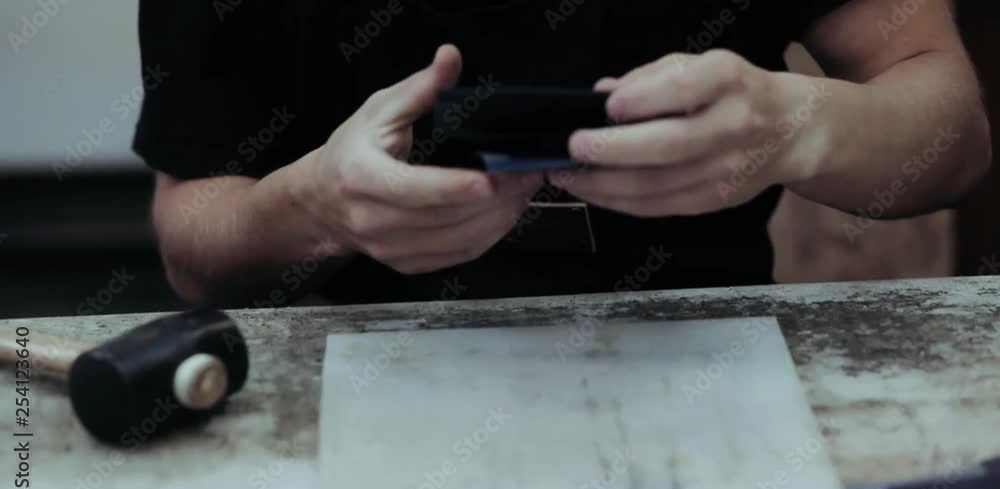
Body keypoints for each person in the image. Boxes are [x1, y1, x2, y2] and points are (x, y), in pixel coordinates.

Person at [135, 0, 991, 307]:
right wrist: (313, 211)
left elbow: (952, 131)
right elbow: (192, 239)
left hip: (711, 367)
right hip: (352, 380)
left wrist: (801, 124)